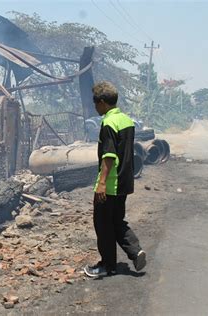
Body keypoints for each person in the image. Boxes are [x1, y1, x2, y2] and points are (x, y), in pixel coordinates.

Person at [84, 81, 146, 278]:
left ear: (102, 102)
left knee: (102, 225)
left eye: (96, 104)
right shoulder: (126, 120)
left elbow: (109, 155)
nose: (95, 107)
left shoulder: (109, 123)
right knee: (117, 221)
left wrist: (101, 183)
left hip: (110, 183)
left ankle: (107, 265)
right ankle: (135, 252)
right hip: (125, 181)